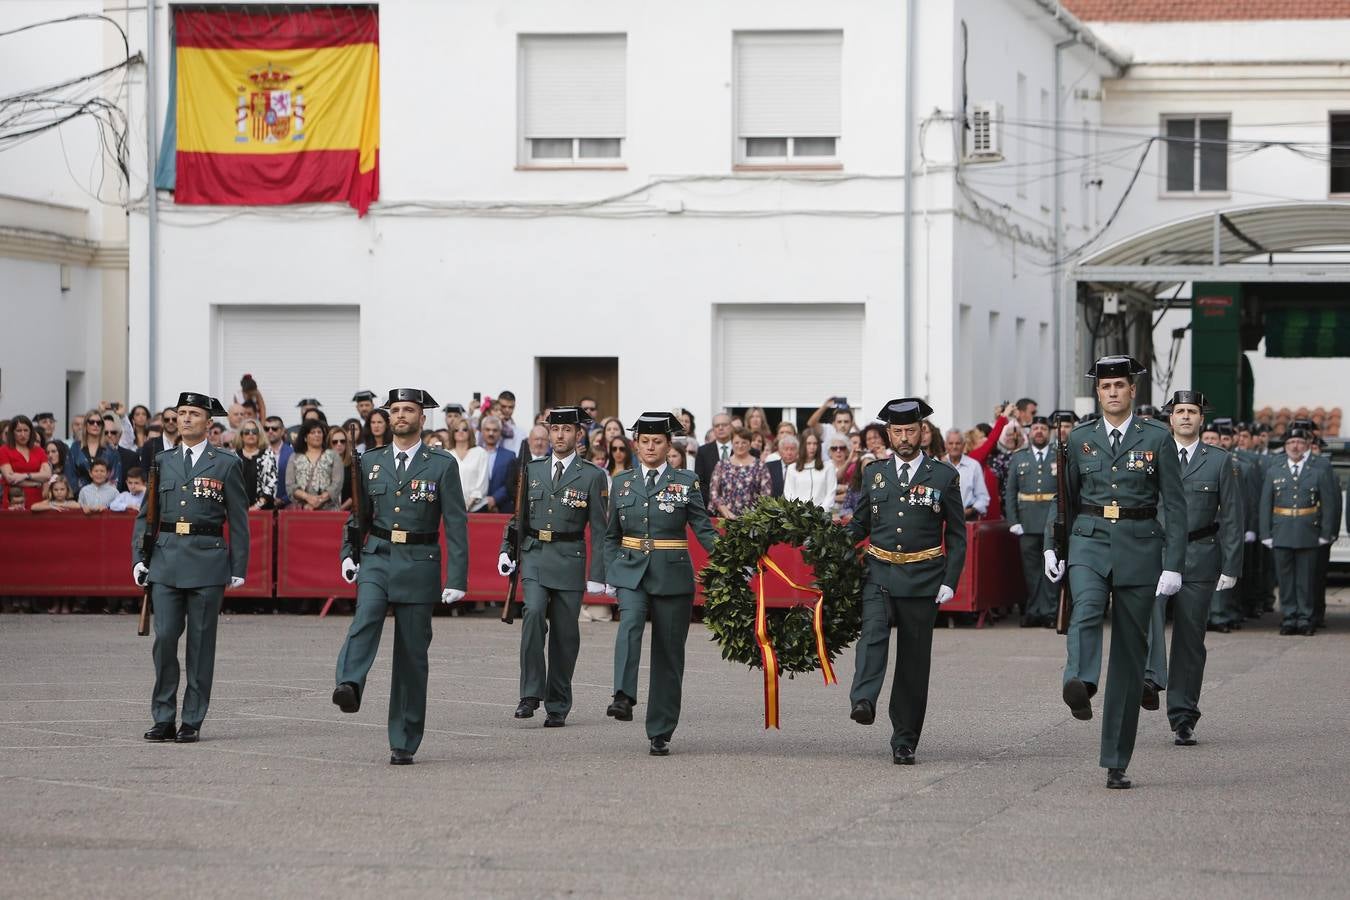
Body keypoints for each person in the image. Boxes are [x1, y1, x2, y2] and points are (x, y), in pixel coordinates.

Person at [1043, 356, 1186, 790]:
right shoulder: (1080, 438)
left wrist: (1174, 564)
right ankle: (1081, 681)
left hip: (1141, 545)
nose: (1112, 393)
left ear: (1131, 391)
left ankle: (1116, 760)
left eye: (1119, 386)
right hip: (1089, 538)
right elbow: (1065, 498)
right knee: (1085, 606)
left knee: (1128, 654)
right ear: (1098, 393)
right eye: (1105, 387)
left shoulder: (1157, 437)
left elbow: (1176, 506)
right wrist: (1054, 544)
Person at [333, 388, 468, 765]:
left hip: (420, 561)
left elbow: (456, 524)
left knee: (411, 654)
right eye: (396, 410)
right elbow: (357, 514)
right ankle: (349, 683)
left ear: (422, 419)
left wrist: (456, 577)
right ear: (388, 417)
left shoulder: (441, 464)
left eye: (409, 409)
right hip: (377, 554)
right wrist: (349, 552)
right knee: (366, 616)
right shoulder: (369, 461)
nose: (402, 415)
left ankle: (404, 740)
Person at [847, 399, 966, 766]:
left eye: (910, 430)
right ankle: (864, 700)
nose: (904, 438)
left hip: (923, 577)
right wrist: (829, 540)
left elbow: (959, 535)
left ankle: (905, 739)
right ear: (887, 434)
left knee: (914, 663)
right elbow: (860, 523)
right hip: (880, 572)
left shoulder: (943, 476)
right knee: (872, 635)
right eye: (897, 431)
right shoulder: (874, 473)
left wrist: (950, 579)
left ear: (922, 432)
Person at [132, 393, 250, 744]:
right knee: (165, 640)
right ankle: (163, 716)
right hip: (166, 560)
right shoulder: (162, 461)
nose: (184, 419)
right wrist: (140, 558)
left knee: (200, 646)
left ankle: (192, 719)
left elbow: (239, 519)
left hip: (207, 560)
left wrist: (238, 564)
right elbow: (145, 515)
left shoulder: (226, 463)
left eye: (192, 414)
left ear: (208, 422)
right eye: (180, 413)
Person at [604, 412, 719, 755]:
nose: (650, 447)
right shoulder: (622, 483)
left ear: (669, 446)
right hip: (632, 571)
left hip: (672, 574)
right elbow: (612, 535)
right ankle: (623, 696)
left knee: (669, 654)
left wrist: (730, 558)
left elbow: (703, 529)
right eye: (644, 441)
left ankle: (660, 729)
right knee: (631, 623)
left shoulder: (685, 481)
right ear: (635, 445)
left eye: (657, 441)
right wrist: (612, 571)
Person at [1141, 391, 1243, 747]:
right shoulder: (1150, 456)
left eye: (1192, 411)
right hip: (1155, 553)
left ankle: (1183, 716)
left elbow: (1231, 516)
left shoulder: (1219, 461)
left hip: (1199, 557)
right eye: (1179, 411)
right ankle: (1150, 678)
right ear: (1170, 418)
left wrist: (1231, 564)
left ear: (1202, 419)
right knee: (1145, 618)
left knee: (1189, 640)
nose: (1185, 417)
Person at [496, 408, 609, 726]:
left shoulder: (592, 475)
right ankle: (530, 692)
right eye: (554, 429)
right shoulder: (532, 469)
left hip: (570, 557)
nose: (559, 435)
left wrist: (598, 574)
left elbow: (600, 529)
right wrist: (508, 549)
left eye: (566, 430)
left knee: (565, 634)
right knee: (532, 612)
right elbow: (519, 516)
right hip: (534, 553)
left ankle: (558, 704)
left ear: (579, 435)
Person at [1259, 425, 1336, 636]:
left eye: (1300, 442)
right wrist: (1265, 533)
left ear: (1307, 446)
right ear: (1285, 446)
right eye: (1291, 442)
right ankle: (1289, 617)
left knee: (1306, 580)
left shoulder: (1318, 472)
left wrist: (1325, 533)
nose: (1295, 446)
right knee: (1285, 581)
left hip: (1308, 532)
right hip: (1281, 531)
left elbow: (1328, 505)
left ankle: (1305, 618)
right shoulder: (1275, 470)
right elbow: (1266, 504)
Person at [1004, 414, 1058, 627]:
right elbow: (1010, 492)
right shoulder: (1019, 457)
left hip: (1051, 522)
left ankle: (1051, 611)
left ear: (1049, 432)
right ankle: (1034, 610)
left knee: (1051, 569)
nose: (1038, 432)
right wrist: (1013, 521)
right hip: (1027, 521)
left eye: (1043, 429)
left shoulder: (1058, 455)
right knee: (1031, 570)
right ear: (1029, 432)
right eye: (1035, 428)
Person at [709, 426, 772, 520]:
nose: (740, 445)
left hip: (752, 521)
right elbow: (714, 492)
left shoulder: (760, 466)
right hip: (725, 519)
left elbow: (766, 494)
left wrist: (754, 516)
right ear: (731, 443)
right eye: (736, 442)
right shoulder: (721, 465)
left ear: (750, 444)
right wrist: (724, 511)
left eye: (744, 442)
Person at [286, 419, 343, 511]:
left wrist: (319, 500)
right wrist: (308, 498)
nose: (317, 435)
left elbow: (337, 484)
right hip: (302, 510)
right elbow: (290, 485)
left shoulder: (333, 456)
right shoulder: (294, 457)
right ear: (305, 437)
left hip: (329, 510)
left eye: (319, 432)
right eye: (312, 432)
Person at [1, 416, 52, 509]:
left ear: (31, 432)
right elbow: (10, 478)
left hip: (36, 501)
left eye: (26, 430)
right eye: (19, 431)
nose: (23, 434)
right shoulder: (4, 450)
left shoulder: (39, 450)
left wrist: (25, 476)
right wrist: (36, 483)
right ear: (12, 432)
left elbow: (47, 474)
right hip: (14, 500)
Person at [67, 411, 120, 492]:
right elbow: (69, 474)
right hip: (79, 497)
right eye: (92, 422)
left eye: (99, 423)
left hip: (106, 498)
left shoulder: (111, 450)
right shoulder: (76, 447)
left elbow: (115, 477)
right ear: (86, 425)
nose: (95, 425)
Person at [783, 430, 835, 511]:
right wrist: (799, 512)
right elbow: (789, 494)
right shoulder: (792, 468)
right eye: (809, 443)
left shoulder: (828, 467)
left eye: (815, 443)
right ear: (803, 445)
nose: (812, 447)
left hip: (821, 516)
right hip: (799, 516)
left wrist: (821, 510)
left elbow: (831, 493)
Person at [943, 429, 989, 520]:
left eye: (958, 443)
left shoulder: (973, 465)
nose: (954, 446)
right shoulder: (938, 464)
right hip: (941, 518)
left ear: (964, 445)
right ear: (945, 445)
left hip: (967, 518)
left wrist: (971, 510)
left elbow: (983, 496)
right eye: (951, 443)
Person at [232, 418, 278, 510]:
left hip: (263, 510)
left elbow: (271, 483)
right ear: (241, 435)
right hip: (237, 509)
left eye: (254, 431)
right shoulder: (233, 456)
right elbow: (229, 485)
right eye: (246, 432)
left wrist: (256, 506)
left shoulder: (268, 455)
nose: (251, 434)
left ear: (259, 434)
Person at [446, 419, 489, 511]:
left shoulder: (480, 453)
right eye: (456, 430)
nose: (460, 432)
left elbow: (482, 482)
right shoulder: (446, 454)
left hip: (477, 508)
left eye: (464, 429)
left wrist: (468, 504)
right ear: (452, 433)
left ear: (470, 432)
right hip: (452, 508)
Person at [479, 415, 516, 514]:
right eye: (488, 430)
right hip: (477, 508)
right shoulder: (473, 454)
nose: (491, 433)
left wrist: (495, 499)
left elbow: (511, 482)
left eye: (495, 430)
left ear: (500, 433)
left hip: (502, 508)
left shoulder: (509, 456)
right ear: (482, 431)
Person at [694, 411, 735, 498]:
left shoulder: (742, 449)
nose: (720, 428)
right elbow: (699, 482)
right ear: (713, 429)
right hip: (711, 505)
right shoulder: (703, 451)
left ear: (731, 427)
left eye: (724, 425)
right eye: (717, 426)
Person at [140, 407, 179, 474]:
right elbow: (144, 471)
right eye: (167, 420)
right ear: (162, 421)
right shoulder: (150, 445)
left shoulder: (186, 443)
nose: (170, 422)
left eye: (174, 419)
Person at [327, 425, 356, 512]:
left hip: (347, 513)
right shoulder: (323, 464)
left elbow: (355, 494)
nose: (339, 444)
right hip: (325, 511)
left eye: (342, 441)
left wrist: (340, 509)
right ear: (329, 443)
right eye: (335, 442)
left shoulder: (353, 464)